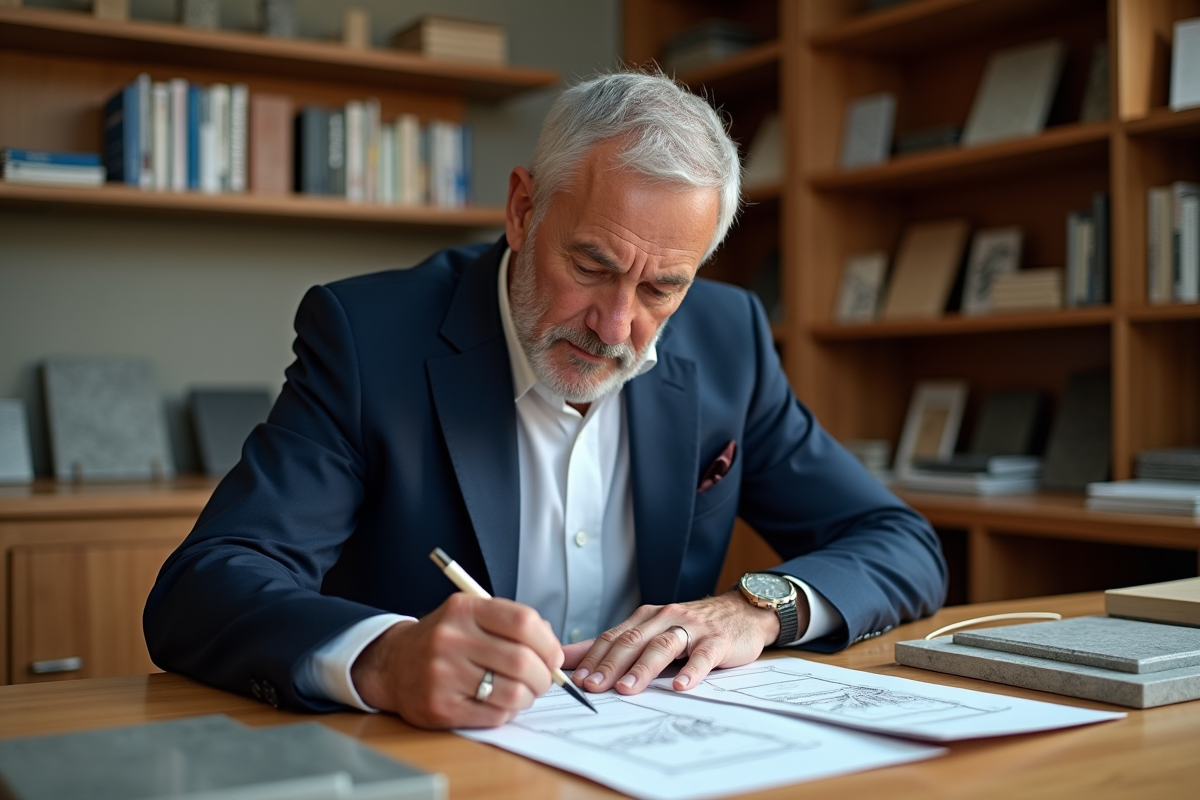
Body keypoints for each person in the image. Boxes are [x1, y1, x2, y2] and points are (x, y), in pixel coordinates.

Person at [144, 71, 946, 730]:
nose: (617, 326)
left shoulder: (729, 337)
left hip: (659, 749)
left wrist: (758, 609)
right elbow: (203, 587)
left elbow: (897, 540)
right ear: (524, 209)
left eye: (663, 286)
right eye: (592, 267)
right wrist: (383, 658)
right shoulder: (368, 337)